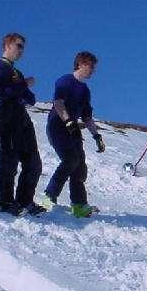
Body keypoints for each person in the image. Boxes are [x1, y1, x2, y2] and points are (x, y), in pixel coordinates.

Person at [43, 51, 105, 217]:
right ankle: (49, 195)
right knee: (70, 160)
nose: (92, 70)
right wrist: (68, 121)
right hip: (57, 126)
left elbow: (87, 117)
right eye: (90, 66)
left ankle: (78, 205)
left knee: (80, 167)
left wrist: (97, 136)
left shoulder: (85, 90)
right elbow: (58, 103)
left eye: (94, 67)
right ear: (80, 64)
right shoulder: (65, 81)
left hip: (73, 130)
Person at [0, 33, 44, 216]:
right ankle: (5, 201)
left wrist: (21, 87)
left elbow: (31, 99)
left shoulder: (16, 72)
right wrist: (24, 85)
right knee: (9, 161)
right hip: (8, 117)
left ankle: (25, 200)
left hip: (22, 118)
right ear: (7, 45)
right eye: (18, 46)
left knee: (33, 162)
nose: (21, 51)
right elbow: (3, 92)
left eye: (23, 47)